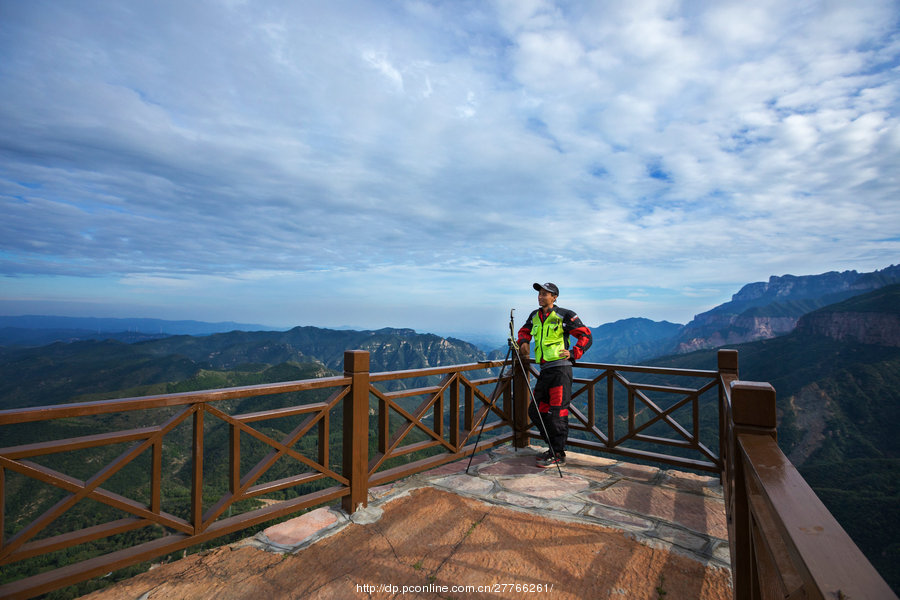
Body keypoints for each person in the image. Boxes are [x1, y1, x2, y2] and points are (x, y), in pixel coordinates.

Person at [516, 282, 592, 468]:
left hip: (560, 371)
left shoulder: (565, 315)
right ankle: (552, 447)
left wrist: (574, 353)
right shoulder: (534, 315)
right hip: (545, 370)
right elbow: (524, 331)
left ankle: (558, 453)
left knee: (557, 413)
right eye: (539, 293)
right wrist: (524, 341)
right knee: (535, 411)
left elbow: (586, 335)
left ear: (554, 297)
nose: (540, 296)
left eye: (545, 294)